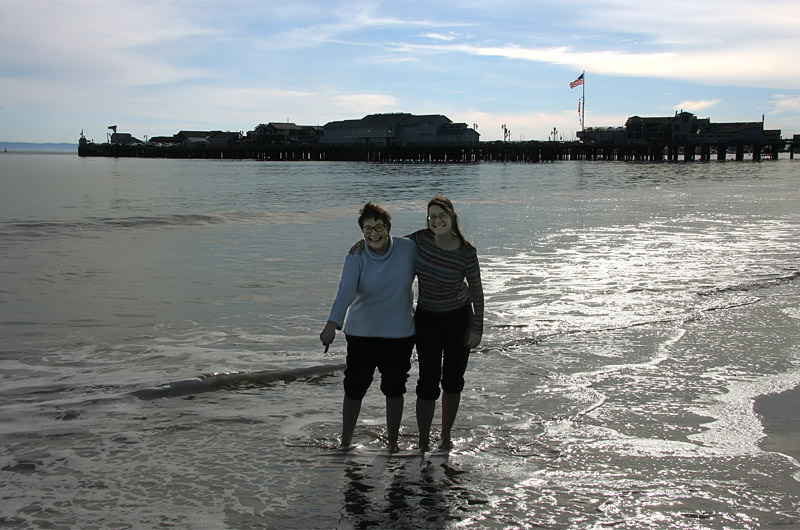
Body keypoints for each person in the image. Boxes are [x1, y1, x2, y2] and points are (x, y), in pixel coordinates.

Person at [320, 201, 416, 451]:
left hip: (399, 334)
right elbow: (345, 291)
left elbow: (433, 255)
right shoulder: (356, 255)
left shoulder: (408, 249)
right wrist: (332, 323)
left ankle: (393, 444)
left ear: (388, 227)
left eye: (378, 227)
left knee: (395, 388)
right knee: (354, 387)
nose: (373, 234)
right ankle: (346, 443)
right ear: (361, 232)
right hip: (362, 333)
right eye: (367, 229)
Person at [408, 195, 484, 451]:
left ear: (452, 217)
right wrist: (361, 245)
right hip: (427, 319)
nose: (437, 220)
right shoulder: (418, 240)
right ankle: (422, 441)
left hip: (458, 320)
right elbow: (386, 245)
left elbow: (476, 291)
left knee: (452, 381)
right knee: (427, 383)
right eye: (432, 216)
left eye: (442, 215)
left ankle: (446, 437)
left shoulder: (466, 252)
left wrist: (478, 328)